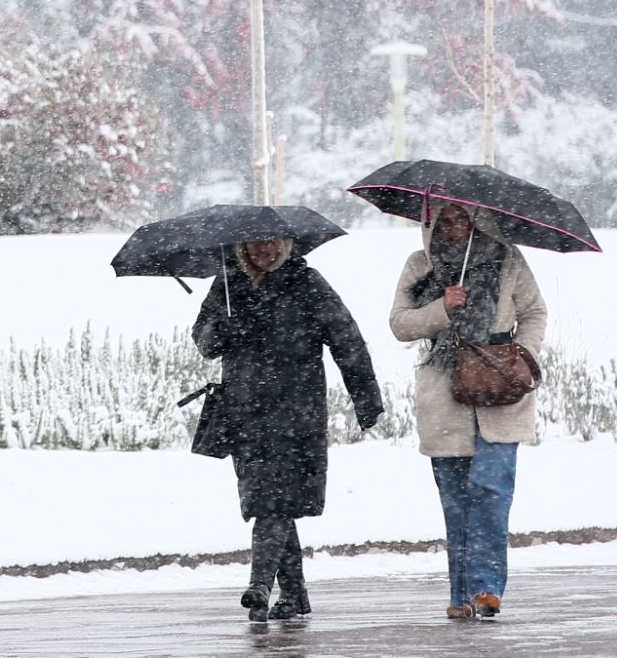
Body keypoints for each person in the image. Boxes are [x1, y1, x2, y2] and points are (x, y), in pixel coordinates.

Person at [192, 237, 385, 622]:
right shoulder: (228, 285)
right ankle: (294, 595)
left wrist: (367, 400)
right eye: (255, 244)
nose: (264, 250)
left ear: (286, 245)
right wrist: (223, 330)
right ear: (242, 248)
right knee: (270, 502)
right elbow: (203, 340)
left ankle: (260, 583)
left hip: (295, 416)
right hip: (244, 415)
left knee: (272, 503)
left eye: (273, 244)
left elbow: (347, 341)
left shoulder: (307, 283)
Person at [388, 202, 547, 620]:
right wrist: (442, 307)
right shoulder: (420, 264)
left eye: (463, 218)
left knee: (491, 491)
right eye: (446, 220)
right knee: (456, 502)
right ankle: (461, 596)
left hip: (502, 386)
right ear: (432, 224)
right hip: (444, 393)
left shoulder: (508, 258)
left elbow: (534, 312)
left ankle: (485, 589)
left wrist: (522, 356)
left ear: (478, 221)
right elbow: (400, 324)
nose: (455, 227)